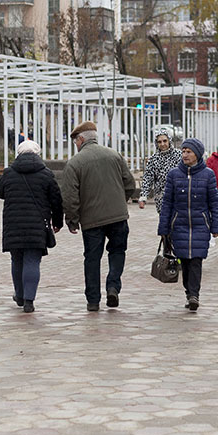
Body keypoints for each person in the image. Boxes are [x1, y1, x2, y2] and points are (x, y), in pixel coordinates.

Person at [60, 120, 138, 311]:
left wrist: (72, 220)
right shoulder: (114, 155)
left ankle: (93, 300)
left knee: (92, 259)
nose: (76, 146)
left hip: (91, 221)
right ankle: (113, 286)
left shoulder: (75, 163)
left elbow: (70, 196)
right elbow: (130, 185)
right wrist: (119, 202)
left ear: (80, 139)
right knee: (117, 251)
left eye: (75, 142)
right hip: (118, 217)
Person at [0, 139, 63, 313]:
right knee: (32, 261)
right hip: (37, 225)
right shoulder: (46, 174)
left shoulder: (9, 173)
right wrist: (58, 222)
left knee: (17, 260)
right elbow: (56, 200)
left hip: (13, 224)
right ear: (37, 154)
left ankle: (19, 294)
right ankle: (29, 301)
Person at [159, 137, 218, 312]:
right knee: (184, 261)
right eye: (183, 151)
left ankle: (194, 294)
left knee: (196, 260)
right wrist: (163, 228)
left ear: (197, 155)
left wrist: (216, 226)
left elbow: (214, 202)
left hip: (200, 224)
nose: (185, 155)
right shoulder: (174, 175)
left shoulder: (208, 175)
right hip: (179, 224)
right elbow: (167, 203)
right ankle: (189, 292)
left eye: (189, 152)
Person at [139, 126, 182, 212]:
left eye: (165, 141)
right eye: (159, 142)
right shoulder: (153, 159)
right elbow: (148, 178)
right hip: (162, 199)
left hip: (179, 197)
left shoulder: (179, 155)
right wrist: (143, 196)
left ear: (169, 141)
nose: (162, 144)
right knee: (165, 223)